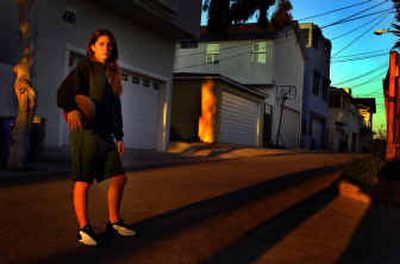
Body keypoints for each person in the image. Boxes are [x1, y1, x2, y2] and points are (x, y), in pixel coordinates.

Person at [57, 29, 136, 246]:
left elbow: (115, 109)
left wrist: (119, 135)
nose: (106, 48)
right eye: (101, 43)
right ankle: (84, 228)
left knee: (120, 178)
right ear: (92, 46)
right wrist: (72, 108)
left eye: (109, 44)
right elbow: (64, 91)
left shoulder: (112, 74)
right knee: (83, 181)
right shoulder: (85, 68)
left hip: (105, 135)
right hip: (85, 132)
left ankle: (114, 222)